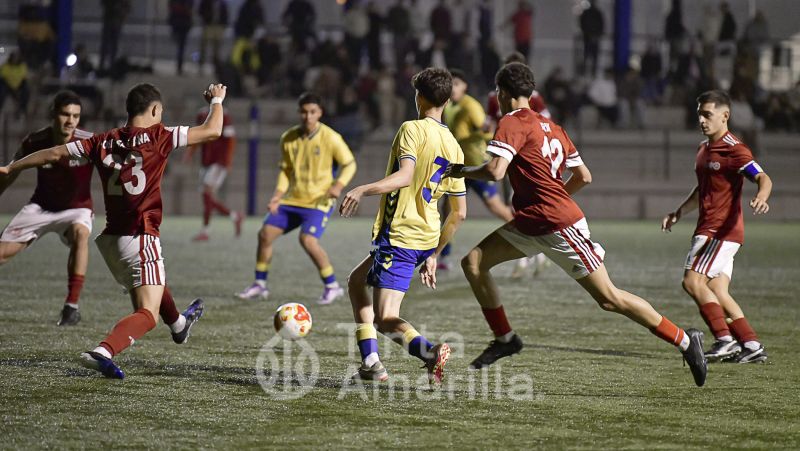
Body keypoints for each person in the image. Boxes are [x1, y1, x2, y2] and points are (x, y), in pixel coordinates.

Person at [447, 62, 708, 387]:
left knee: (609, 298)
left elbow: (497, 171)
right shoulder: (553, 126)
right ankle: (505, 339)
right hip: (533, 221)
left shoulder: (512, 121)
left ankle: (685, 339)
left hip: (557, 225)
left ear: (501, 93)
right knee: (473, 262)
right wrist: (554, 196)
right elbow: (584, 176)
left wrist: (458, 170)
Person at [0, 83, 226, 378]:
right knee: (146, 314)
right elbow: (212, 131)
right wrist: (217, 101)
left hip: (112, 241)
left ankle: (180, 326)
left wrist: (12, 166)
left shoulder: (102, 141)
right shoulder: (161, 135)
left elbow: (55, 153)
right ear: (155, 110)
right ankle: (102, 351)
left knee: (152, 283)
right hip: (140, 234)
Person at [338, 67, 467, 384]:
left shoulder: (413, 128)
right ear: (447, 100)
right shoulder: (454, 145)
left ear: (419, 97)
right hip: (424, 236)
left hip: (401, 235)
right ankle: (371, 364)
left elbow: (405, 176)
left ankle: (429, 352)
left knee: (385, 319)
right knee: (357, 281)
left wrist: (361, 189)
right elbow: (459, 212)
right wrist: (434, 253)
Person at [661, 90, 772, 364]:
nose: (701, 119)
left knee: (692, 282)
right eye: (699, 113)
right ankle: (751, 344)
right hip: (710, 228)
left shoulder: (735, 149)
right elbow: (703, 190)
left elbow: (763, 177)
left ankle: (723, 340)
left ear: (725, 116)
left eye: (707, 114)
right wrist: (678, 213)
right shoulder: (703, 149)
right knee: (718, 292)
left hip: (720, 231)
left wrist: (761, 196)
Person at [237, 93, 357, 305]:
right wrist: (276, 197)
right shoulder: (288, 138)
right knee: (265, 234)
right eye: (304, 111)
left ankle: (332, 286)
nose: (308, 116)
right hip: (292, 201)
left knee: (308, 240)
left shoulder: (331, 138)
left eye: (312, 112)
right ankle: (259, 284)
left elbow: (350, 164)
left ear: (320, 113)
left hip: (318, 202)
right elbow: (285, 171)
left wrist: (338, 185)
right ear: (299, 112)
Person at [0, 91, 93, 326]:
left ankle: (71, 308)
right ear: (53, 114)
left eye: (76, 116)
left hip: (77, 209)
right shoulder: (35, 141)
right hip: (40, 208)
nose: (70, 120)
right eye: (65, 114)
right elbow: (11, 171)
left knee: (81, 234)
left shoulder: (89, 141)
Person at [438, 68, 513, 271]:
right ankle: (443, 257)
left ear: (465, 86)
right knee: (449, 208)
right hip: (460, 167)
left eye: (456, 84)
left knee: (496, 208)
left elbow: (487, 133)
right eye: (450, 84)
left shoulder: (471, 106)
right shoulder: (450, 106)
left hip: (477, 165)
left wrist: (466, 139)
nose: (452, 88)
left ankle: (528, 237)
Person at [183, 105, 242, 241]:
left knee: (207, 194)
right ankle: (234, 216)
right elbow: (198, 136)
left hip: (217, 162)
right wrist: (190, 152)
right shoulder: (202, 113)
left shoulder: (224, 114)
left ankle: (206, 231)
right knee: (206, 197)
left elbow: (230, 139)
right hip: (206, 162)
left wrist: (227, 161)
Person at [99, 0, 131, 71]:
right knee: (106, 45)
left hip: (116, 21)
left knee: (113, 45)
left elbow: (127, 5)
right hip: (110, 19)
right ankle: (103, 65)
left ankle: (111, 65)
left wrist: (123, 13)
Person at [198, 0, 228, 68]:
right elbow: (200, 11)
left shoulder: (222, 3)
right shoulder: (206, 2)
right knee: (204, 46)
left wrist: (223, 25)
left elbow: (225, 14)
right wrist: (206, 17)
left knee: (217, 48)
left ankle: (216, 66)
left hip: (218, 26)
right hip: (208, 25)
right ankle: (201, 65)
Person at [0, 51, 30, 117]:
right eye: (13, 58)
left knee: (26, 91)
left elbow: (24, 78)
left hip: (18, 85)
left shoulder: (22, 66)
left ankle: (23, 108)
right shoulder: (5, 66)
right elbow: (3, 77)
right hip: (7, 85)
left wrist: (19, 86)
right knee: (2, 91)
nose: (15, 59)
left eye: (16, 58)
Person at [579, 0, 604, 77]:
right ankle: (585, 71)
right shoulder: (586, 13)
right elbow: (582, 24)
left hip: (594, 38)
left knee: (594, 57)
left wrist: (596, 35)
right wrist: (588, 34)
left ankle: (593, 72)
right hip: (588, 38)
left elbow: (601, 25)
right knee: (587, 56)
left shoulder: (597, 13)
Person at [169, 0, 194, 75]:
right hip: (181, 23)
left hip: (180, 24)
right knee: (180, 46)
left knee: (180, 46)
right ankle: (179, 66)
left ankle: (179, 66)